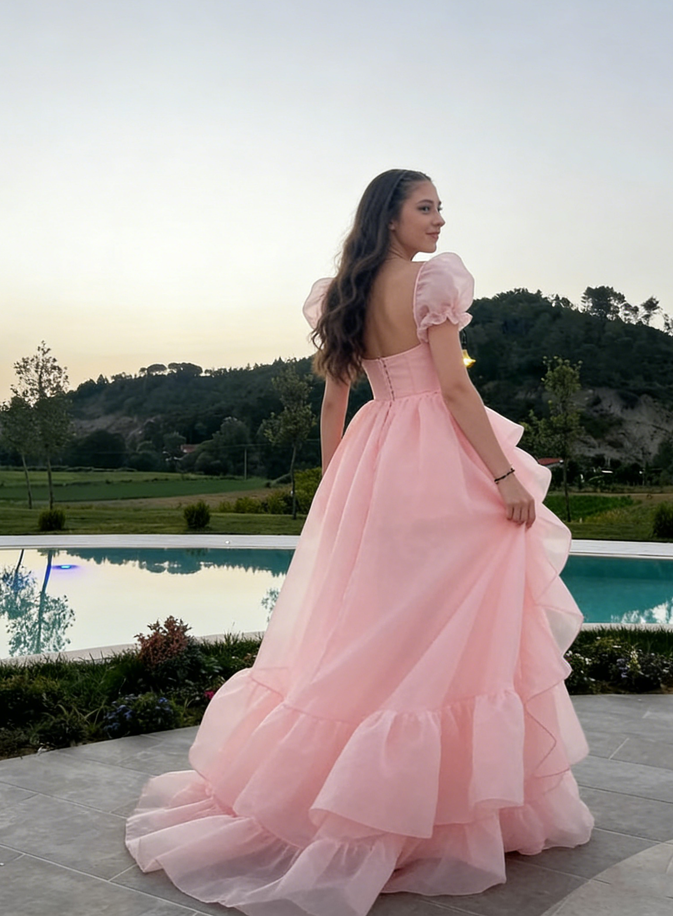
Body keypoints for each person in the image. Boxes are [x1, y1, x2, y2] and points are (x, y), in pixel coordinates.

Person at [126, 169, 594, 916]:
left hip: (375, 457)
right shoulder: (432, 283)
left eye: (440, 207)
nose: (439, 219)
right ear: (391, 216)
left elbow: (335, 402)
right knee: (447, 623)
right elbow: (454, 388)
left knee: (382, 629)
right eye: (425, 207)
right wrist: (505, 475)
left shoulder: (343, 293)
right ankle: (439, 806)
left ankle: (374, 796)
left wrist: (338, 488)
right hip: (433, 459)